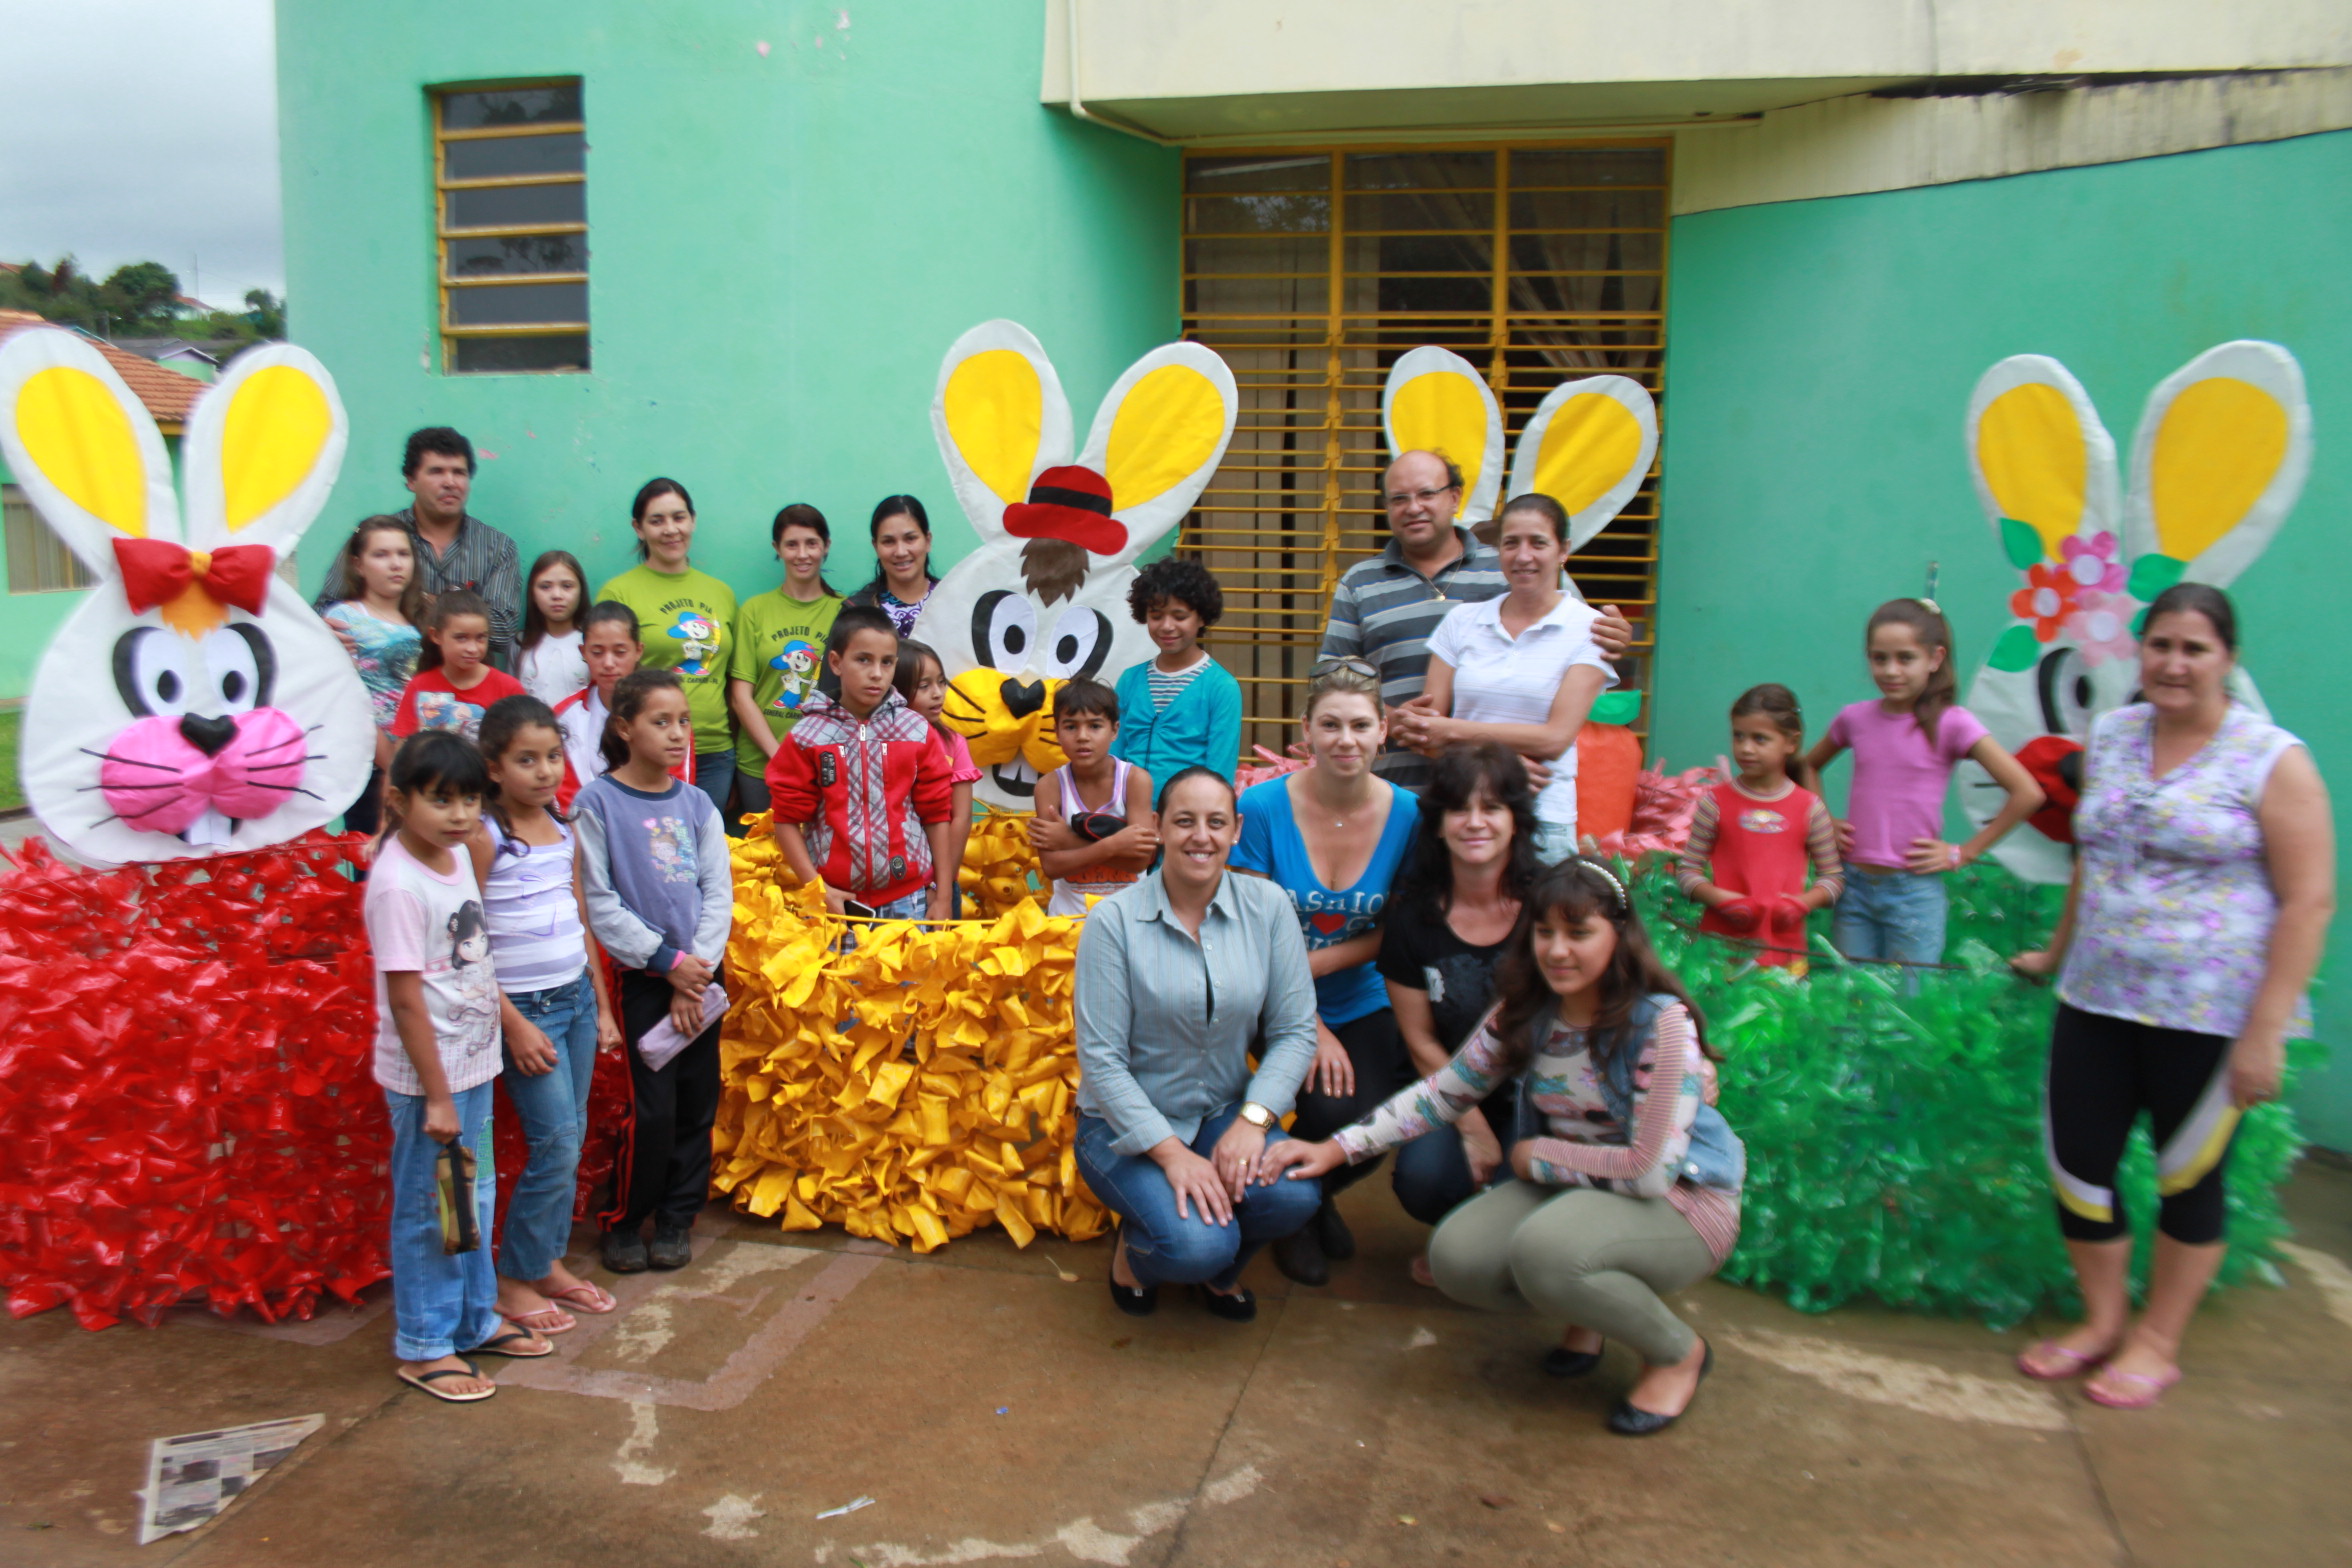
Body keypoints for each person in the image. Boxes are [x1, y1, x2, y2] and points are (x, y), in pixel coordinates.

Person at [1263, 857, 1745, 1436]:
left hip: (1681, 1205)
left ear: (1618, 935)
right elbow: (1442, 1094)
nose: (1558, 950)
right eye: (1545, 933)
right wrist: (1335, 1151)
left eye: (1579, 932)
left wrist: (1533, 1157)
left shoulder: (1658, 1025)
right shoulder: (1527, 1011)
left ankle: (1675, 1353)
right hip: (1575, 1191)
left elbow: (1648, 1172)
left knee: (1549, 1252)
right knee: (1458, 1260)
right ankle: (1586, 1315)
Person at [2010, 584, 2333, 1409]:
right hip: (2096, 996)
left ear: (2229, 659)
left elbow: (2309, 900)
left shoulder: (2271, 758)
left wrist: (2265, 1033)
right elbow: (2095, 854)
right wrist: (2055, 950)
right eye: (2160, 645)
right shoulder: (2114, 737)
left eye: (2195, 649)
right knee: (2078, 1167)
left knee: (2190, 1178)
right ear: (2139, 652)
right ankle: (2104, 1320)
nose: (2175, 663)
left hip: (2211, 1015)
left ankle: (2158, 1339)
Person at [1073, 767, 1323, 1321]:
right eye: (1184, 821)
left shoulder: (1268, 906)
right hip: (1121, 1128)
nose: (1200, 837)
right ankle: (1137, 1255)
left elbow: (1294, 1031)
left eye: (1215, 823)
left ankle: (1219, 1271)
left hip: (1222, 1112)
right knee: (1195, 1243)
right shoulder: (1114, 921)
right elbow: (1102, 1059)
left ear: (1236, 830)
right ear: (1158, 827)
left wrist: (1252, 1122)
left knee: (1293, 1197)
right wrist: (1173, 1157)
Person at [366, 730, 553, 1404]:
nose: (458, 814)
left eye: (470, 799)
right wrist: (437, 1097)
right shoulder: (397, 884)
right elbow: (406, 999)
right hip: (431, 1082)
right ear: (397, 800)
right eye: (440, 800)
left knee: (469, 1201)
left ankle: (473, 1320)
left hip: (470, 1068)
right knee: (433, 1209)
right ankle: (424, 1343)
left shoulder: (453, 860)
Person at [1230, 661, 1421, 1286]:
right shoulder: (1259, 808)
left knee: (1378, 1109)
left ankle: (1306, 1196)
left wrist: (1317, 966)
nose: (1346, 739)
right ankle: (1295, 1212)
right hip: (1269, 995)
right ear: (1305, 731)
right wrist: (1306, 1018)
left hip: (1362, 993)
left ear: (1384, 731)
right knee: (1326, 1097)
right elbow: (1249, 928)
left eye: (1360, 725)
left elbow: (1399, 929)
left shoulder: (1411, 816)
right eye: (1331, 725)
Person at [1318, 449, 1634, 790]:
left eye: (1427, 493)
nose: (1413, 507)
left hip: (1491, 794)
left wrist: (1616, 638)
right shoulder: (1360, 582)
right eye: (1399, 499)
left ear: (1454, 497)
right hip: (1385, 785)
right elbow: (1330, 682)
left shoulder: (1510, 567)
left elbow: (1571, 642)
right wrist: (1391, 721)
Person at [467, 696, 622, 1335]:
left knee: (573, 1133)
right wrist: (513, 1023)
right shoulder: (483, 836)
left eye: (552, 756)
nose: (543, 771)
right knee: (554, 1142)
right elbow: (465, 943)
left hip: (576, 1000)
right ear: (493, 768)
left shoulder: (565, 828)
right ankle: (511, 1279)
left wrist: (603, 1007)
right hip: (525, 1011)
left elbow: (580, 919)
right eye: (525, 760)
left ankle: (547, 1261)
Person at [574, 670, 734, 1274]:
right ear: (624, 727)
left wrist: (697, 970)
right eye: (660, 721)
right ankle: (624, 1218)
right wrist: (667, 966)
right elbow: (599, 900)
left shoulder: (697, 804)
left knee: (696, 1103)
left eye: (684, 721)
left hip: (701, 973)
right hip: (643, 977)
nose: (677, 734)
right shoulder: (597, 804)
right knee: (652, 1110)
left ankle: (675, 1219)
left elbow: (718, 891)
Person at [1802, 598, 2043, 968]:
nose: (1891, 670)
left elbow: (2027, 792)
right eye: (1879, 658)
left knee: (1910, 1009)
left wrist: (1965, 852)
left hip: (1913, 893)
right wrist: (1823, 821)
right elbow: (1807, 766)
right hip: (1853, 887)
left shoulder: (1952, 723)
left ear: (1935, 659)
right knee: (1852, 1002)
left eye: (1905, 658)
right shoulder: (1854, 718)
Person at [1378, 743, 1538, 1277]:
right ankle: (1464, 1235)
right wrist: (1471, 1127)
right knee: (1424, 1179)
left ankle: (1498, 1245)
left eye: (1491, 807)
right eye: (1459, 809)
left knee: (1536, 1182)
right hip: (1453, 1089)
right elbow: (1421, 1041)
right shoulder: (1412, 922)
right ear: (1438, 824)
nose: (1475, 823)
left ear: (1516, 819)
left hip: (1547, 1095)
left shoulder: (1551, 904)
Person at [1393, 493, 1615, 859]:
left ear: (1563, 550)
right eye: (1511, 543)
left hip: (1542, 817)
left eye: (1538, 542)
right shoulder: (1462, 621)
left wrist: (1453, 730)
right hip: (1465, 812)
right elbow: (1424, 733)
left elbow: (1554, 739)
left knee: (1542, 918)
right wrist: (1501, 767)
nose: (1523, 555)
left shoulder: (1591, 629)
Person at [765, 607, 957, 921]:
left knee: (904, 972)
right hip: (837, 902)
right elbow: (786, 819)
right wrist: (817, 888)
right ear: (837, 663)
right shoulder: (807, 736)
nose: (877, 673)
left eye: (887, 662)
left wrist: (943, 895)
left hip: (908, 896)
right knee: (842, 973)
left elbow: (936, 814)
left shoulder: (916, 731)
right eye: (863, 659)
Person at [318, 427, 522, 670]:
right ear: (411, 480)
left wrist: (418, 601)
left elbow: (500, 634)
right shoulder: (377, 540)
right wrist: (329, 633)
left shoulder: (497, 548)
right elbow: (323, 610)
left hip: (463, 695)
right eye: (436, 471)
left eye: (459, 472)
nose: (450, 482)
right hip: (382, 686)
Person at [596, 478, 739, 820]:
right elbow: (611, 679)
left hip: (714, 751)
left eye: (678, 518)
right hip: (650, 753)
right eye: (657, 521)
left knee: (706, 854)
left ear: (692, 520)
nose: (670, 530)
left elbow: (732, 681)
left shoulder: (721, 593)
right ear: (638, 528)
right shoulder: (619, 593)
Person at [1677, 684, 1845, 968]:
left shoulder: (1809, 807)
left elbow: (1833, 879)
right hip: (1719, 953)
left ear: (1791, 742)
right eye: (1738, 736)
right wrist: (1720, 899)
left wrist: (1801, 904)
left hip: (1786, 955)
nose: (1745, 748)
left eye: (1760, 739)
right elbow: (1687, 872)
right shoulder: (1715, 803)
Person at [728, 504, 843, 829]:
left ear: (826, 546)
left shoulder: (845, 610)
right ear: (777, 549)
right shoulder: (754, 610)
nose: (802, 554)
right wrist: (780, 756)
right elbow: (741, 697)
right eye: (792, 544)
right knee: (765, 864)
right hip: (760, 765)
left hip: (824, 766)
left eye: (811, 543)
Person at [321, 516, 424, 838]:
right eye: (381, 555)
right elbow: (346, 696)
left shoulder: (425, 617)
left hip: (425, 760)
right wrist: (390, 760)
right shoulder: (344, 618)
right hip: (372, 766)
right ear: (358, 564)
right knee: (374, 858)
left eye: (403, 554)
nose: (395, 564)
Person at [1029, 677, 1156, 917]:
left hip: (1130, 919)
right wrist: (1115, 845)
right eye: (1071, 726)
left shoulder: (1134, 780)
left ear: (1115, 730)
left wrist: (1068, 840)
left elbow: (1140, 860)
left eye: (1095, 726)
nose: (1083, 736)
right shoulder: (1049, 786)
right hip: (1069, 923)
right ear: (1056, 731)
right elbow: (1052, 867)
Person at [553, 602, 696, 810]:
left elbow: (679, 785)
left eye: (620, 652)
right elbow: (564, 795)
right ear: (583, 652)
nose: (609, 663)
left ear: (638, 650)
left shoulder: (670, 712)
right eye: (597, 652)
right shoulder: (563, 717)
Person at [1111, 558, 1242, 784]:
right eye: (1156, 616)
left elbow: (1220, 773)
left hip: (1188, 815)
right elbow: (1113, 756)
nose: (1167, 626)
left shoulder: (1221, 687)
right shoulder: (1129, 680)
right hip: (1128, 814)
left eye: (1179, 616)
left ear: (1201, 617)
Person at [893, 639, 981, 913]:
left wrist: (941, 888)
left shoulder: (954, 743)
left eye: (941, 682)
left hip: (940, 882)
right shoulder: (884, 742)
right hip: (897, 881)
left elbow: (962, 818)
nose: (937, 694)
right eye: (924, 686)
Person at [392, 589, 528, 745]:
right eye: (461, 638)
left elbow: (520, 746)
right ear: (436, 635)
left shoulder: (508, 688)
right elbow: (403, 747)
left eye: (480, 638)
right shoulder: (419, 685)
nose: (472, 648)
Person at [846, 494, 939, 638]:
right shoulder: (856, 613)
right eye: (888, 541)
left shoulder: (953, 603)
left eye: (910, 538)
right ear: (875, 546)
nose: (901, 552)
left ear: (927, 541)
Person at [516, 551, 591, 707]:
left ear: (581, 591)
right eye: (545, 586)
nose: (557, 595)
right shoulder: (520, 644)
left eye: (567, 586)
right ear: (532, 593)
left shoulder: (593, 644)